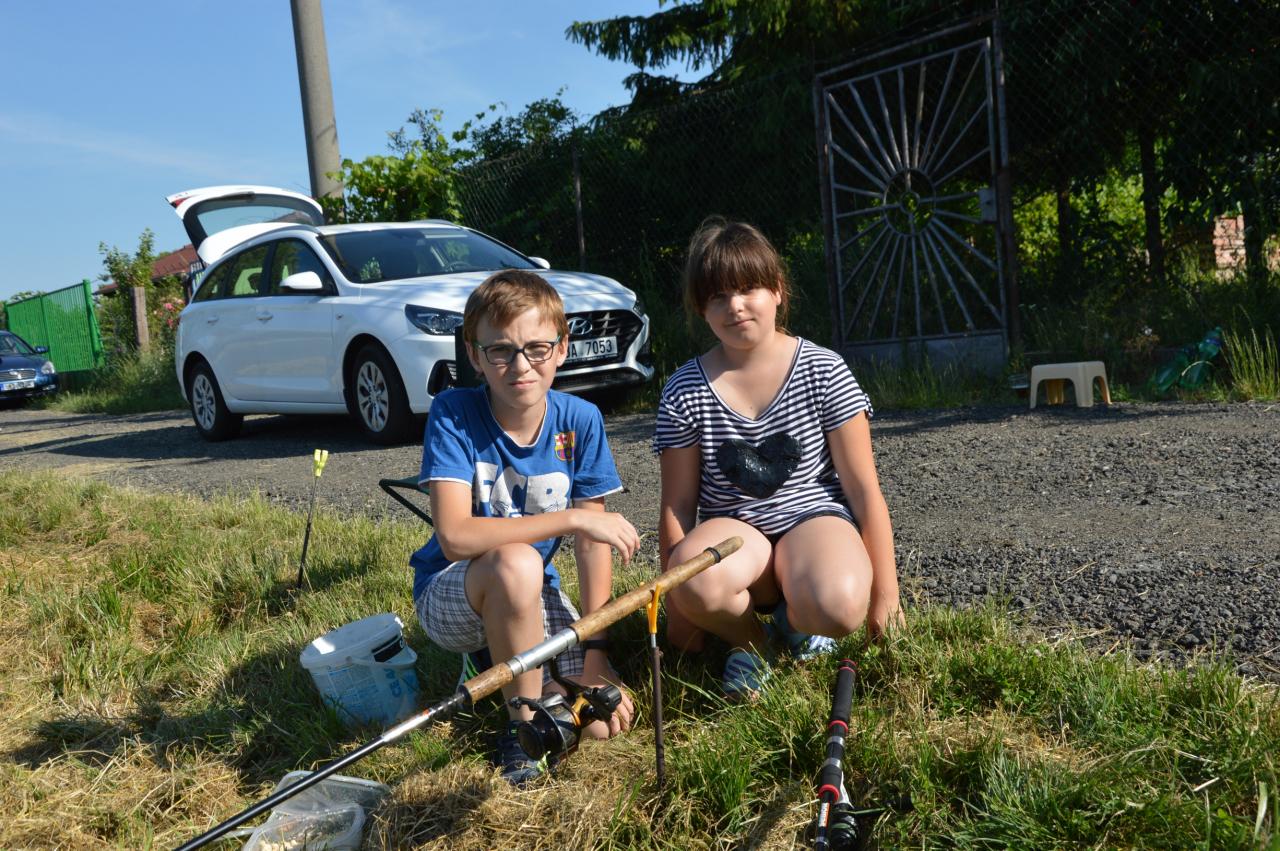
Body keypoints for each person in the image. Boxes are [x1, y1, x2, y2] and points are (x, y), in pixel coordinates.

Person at [654, 217, 902, 699]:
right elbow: (677, 506)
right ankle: (753, 643)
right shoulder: (684, 389)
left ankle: (798, 621)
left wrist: (886, 597)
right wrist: (678, 606)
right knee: (695, 580)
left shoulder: (824, 369)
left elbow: (863, 490)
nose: (735, 306)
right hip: (735, 535)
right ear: (700, 308)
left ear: (777, 290)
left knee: (839, 605)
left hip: (814, 524)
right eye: (717, 296)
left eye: (748, 288)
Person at [410, 269, 638, 785]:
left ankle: (503, 666)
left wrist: (596, 652)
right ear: (475, 355)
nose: (520, 366)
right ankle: (521, 729)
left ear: (562, 349)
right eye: (501, 351)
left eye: (537, 349)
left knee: (600, 723)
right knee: (517, 562)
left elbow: (592, 548)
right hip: (451, 591)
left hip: (534, 590)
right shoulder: (453, 412)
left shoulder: (581, 419)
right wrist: (574, 517)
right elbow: (455, 536)